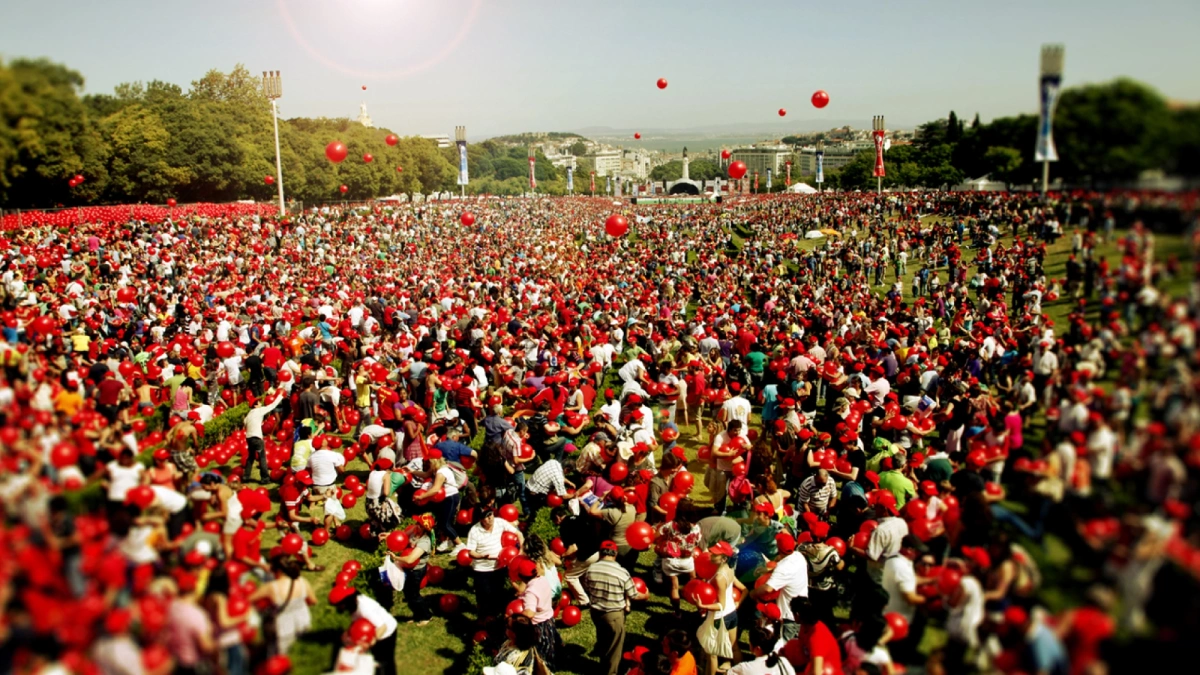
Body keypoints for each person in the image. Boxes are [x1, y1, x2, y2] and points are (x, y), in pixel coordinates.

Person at [582, 540, 650, 675]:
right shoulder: (622, 572)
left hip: (596, 612)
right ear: (616, 554)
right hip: (613, 615)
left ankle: (602, 666)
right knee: (614, 649)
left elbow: (587, 587)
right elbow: (634, 595)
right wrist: (646, 595)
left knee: (602, 640)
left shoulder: (590, 569)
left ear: (600, 553)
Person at [694, 541, 744, 674]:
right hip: (732, 614)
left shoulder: (719, 578)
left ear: (724, 558)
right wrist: (738, 603)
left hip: (719, 618)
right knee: (735, 648)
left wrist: (702, 605)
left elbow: (720, 605)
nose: (711, 555)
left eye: (715, 554)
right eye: (712, 552)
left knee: (712, 654)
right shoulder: (729, 569)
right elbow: (744, 589)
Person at [467, 509, 524, 620]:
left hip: (499, 567)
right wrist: (482, 556)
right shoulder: (474, 531)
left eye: (491, 514)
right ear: (480, 519)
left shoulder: (499, 522)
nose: (490, 518)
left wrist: (521, 548)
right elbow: (470, 552)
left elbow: (518, 533)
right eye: (486, 517)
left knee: (499, 596)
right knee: (484, 599)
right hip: (482, 570)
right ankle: (483, 621)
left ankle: (499, 620)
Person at [391, 513, 435, 625]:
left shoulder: (425, 542)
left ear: (424, 528)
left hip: (416, 571)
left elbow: (411, 559)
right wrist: (388, 536)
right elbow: (403, 535)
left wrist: (395, 557)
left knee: (414, 595)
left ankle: (426, 616)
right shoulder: (415, 532)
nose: (416, 524)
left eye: (419, 524)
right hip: (408, 569)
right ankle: (417, 615)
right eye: (417, 522)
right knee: (408, 594)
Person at [729, 624, 796, 675]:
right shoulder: (783, 661)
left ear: (758, 648)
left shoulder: (744, 668)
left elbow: (729, 672)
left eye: (750, 642)